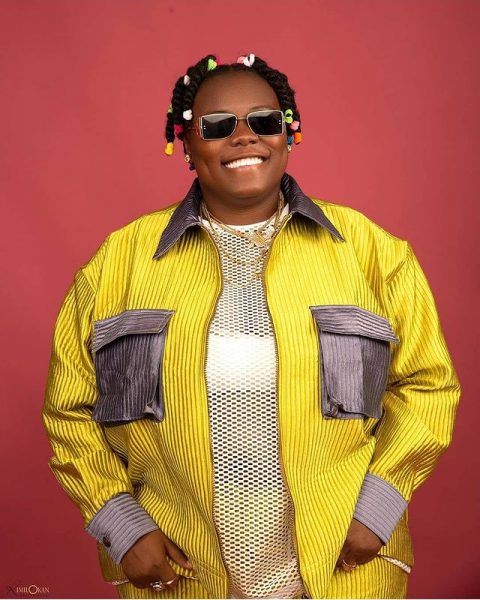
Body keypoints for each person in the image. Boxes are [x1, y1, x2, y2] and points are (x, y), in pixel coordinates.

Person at [42, 53, 461, 599]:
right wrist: (121, 525)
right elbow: (69, 408)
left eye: (264, 120)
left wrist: (378, 507)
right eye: (217, 126)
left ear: (288, 134)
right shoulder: (116, 265)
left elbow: (428, 385)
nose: (245, 137)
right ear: (186, 144)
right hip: (182, 575)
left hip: (344, 568)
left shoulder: (373, 254)